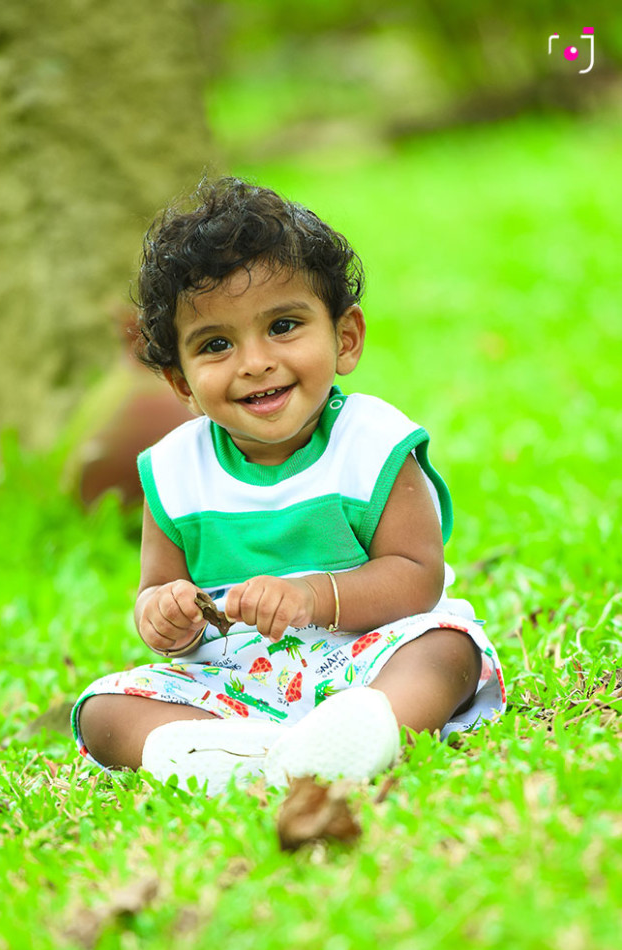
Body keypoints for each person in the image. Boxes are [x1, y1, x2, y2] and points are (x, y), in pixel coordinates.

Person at [71, 177, 505, 796]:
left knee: (444, 649)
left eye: (283, 326)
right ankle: (223, 755)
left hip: (366, 656)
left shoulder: (373, 444)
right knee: (102, 710)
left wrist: (312, 596)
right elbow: (157, 592)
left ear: (345, 338)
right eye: (216, 344)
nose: (254, 361)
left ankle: (370, 732)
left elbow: (417, 577)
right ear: (181, 384)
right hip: (237, 680)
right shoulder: (173, 471)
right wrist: (166, 615)